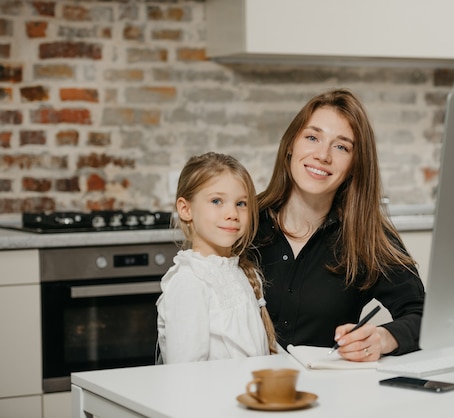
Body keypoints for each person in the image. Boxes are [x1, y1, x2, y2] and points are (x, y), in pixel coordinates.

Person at [253, 88, 425, 362]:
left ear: (355, 165)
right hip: (238, 391)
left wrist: (383, 338)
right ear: (290, 145)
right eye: (312, 137)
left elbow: (423, 315)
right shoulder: (244, 220)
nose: (323, 155)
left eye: (341, 146)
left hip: (328, 397)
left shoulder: (368, 236)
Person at [156, 152, 277, 364]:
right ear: (185, 209)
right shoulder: (190, 282)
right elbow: (185, 374)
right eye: (217, 201)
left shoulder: (242, 273)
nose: (232, 213)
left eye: (241, 203)